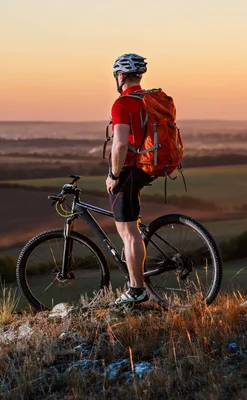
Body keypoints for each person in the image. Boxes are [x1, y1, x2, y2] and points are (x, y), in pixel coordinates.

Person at [106, 53, 155, 306]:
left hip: (129, 170)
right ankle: (138, 284)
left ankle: (137, 290)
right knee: (132, 228)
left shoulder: (122, 104)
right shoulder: (148, 100)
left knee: (128, 233)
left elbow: (120, 144)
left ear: (121, 75)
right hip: (148, 166)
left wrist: (114, 175)